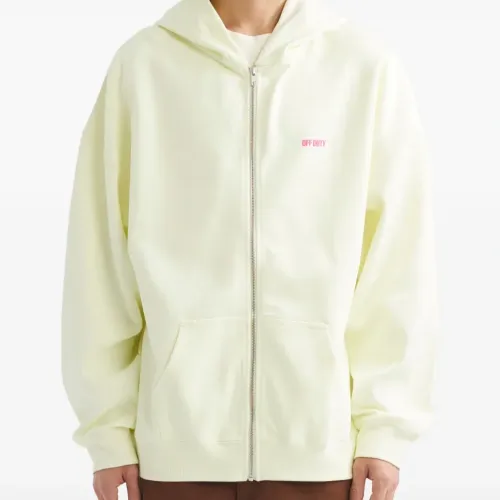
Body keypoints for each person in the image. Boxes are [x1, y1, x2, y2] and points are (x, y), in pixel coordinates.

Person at [61, 0, 438, 498]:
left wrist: (385, 429)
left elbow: (396, 262)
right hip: (176, 450)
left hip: (321, 450)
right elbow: (99, 255)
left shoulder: (362, 66)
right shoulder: (144, 65)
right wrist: (107, 432)